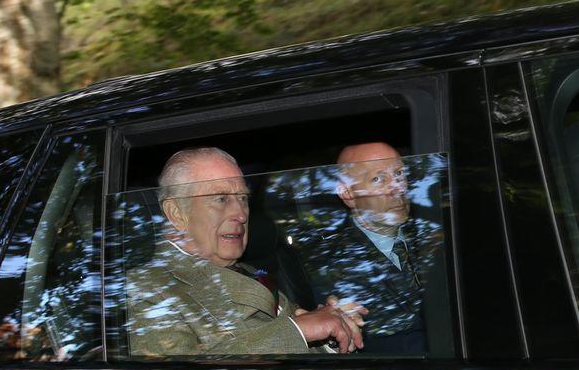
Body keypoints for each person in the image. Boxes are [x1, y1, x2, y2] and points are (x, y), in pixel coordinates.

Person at [127, 147, 368, 355]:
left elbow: (297, 336)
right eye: (221, 199)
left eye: (243, 199)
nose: (241, 215)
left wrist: (334, 326)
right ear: (177, 213)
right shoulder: (146, 288)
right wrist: (300, 330)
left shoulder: (253, 272)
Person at [304, 142, 429, 353]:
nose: (397, 188)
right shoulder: (329, 265)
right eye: (378, 179)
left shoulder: (435, 233)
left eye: (399, 174)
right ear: (348, 194)